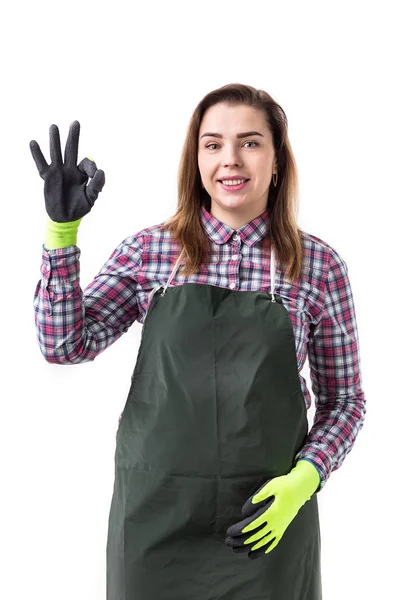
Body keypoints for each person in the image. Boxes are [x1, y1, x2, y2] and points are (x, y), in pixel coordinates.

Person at [31, 83, 366, 600]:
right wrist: (61, 232)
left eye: (250, 142)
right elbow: (64, 345)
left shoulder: (317, 266)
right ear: (195, 159)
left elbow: (344, 401)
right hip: (154, 520)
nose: (230, 159)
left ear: (277, 160)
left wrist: (305, 480)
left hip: (264, 523)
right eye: (213, 144)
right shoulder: (150, 252)